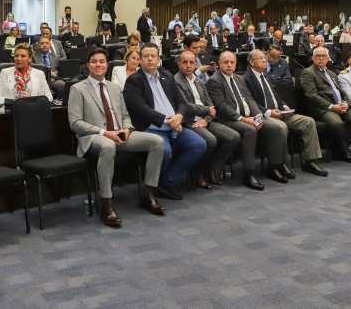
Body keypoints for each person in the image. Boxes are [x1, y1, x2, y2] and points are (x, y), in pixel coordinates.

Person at [68, 47, 166, 226]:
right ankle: (105, 204)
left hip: (120, 134)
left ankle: (147, 194)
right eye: (94, 62)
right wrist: (105, 133)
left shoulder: (114, 88)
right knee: (108, 146)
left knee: (157, 142)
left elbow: (125, 116)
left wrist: (127, 130)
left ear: (107, 65)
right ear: (88, 66)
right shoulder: (78, 89)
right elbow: (75, 123)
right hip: (94, 136)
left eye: (102, 61)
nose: (98, 65)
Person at [122, 44, 206, 200]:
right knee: (165, 152)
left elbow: (182, 101)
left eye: (153, 56)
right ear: (140, 60)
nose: (149, 59)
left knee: (199, 145)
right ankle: (161, 184)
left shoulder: (167, 76)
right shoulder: (133, 80)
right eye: (146, 56)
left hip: (175, 125)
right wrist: (168, 121)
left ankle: (166, 182)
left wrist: (179, 116)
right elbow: (140, 109)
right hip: (152, 128)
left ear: (158, 59)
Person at [206, 51, 289, 190]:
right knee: (250, 130)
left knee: (274, 128)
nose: (229, 65)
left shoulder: (239, 78)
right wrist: (244, 119)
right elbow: (221, 107)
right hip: (228, 120)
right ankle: (248, 174)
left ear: (236, 64)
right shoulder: (214, 81)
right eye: (225, 62)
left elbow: (249, 99)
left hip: (248, 117)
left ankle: (273, 167)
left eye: (232, 62)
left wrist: (258, 115)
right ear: (219, 64)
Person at [244, 50, 327, 176]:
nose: (264, 60)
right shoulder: (246, 79)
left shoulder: (267, 77)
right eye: (260, 58)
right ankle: (279, 164)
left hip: (280, 113)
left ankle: (310, 161)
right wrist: (269, 112)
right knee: (281, 127)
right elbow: (251, 103)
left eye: (264, 58)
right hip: (260, 116)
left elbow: (277, 97)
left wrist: (285, 106)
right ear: (251, 62)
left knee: (308, 122)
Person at [173, 50, 240, 187]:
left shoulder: (199, 80)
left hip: (206, 120)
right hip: (189, 122)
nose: (188, 65)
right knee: (210, 140)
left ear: (196, 64)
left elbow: (211, 105)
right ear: (179, 64)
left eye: (191, 62)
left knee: (233, 137)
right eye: (185, 62)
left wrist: (207, 118)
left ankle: (214, 168)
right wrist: (208, 110)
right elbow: (186, 106)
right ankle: (198, 173)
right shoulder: (175, 81)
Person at [300, 47, 351, 162]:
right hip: (324, 109)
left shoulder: (332, 73)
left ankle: (337, 146)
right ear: (313, 58)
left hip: (340, 106)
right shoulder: (308, 72)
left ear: (328, 58)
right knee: (337, 124)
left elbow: (342, 92)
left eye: (323, 56)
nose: (321, 58)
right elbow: (312, 95)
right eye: (318, 56)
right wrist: (332, 107)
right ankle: (343, 151)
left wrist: (346, 103)